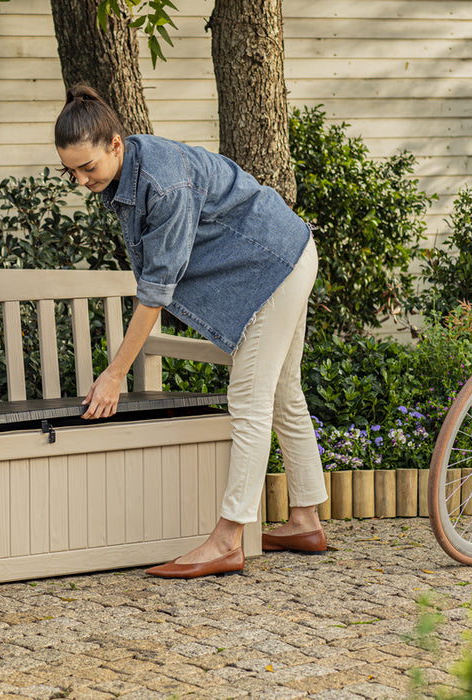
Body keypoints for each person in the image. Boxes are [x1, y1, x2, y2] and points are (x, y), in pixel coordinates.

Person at [54, 85, 329, 578]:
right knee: (284, 390)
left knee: (249, 398)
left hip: (273, 266)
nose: (80, 180)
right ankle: (305, 520)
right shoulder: (131, 168)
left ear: (115, 144)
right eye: (70, 171)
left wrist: (116, 374)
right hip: (284, 254)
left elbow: (155, 291)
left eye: (87, 167)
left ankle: (227, 541)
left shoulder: (163, 184)